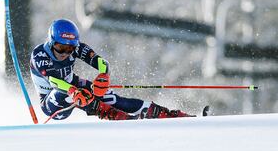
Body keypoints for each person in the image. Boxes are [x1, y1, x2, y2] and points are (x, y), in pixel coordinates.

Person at [30, 19, 193, 120]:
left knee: (111, 97)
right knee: (71, 94)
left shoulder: (76, 47)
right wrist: (73, 90)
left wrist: (103, 75)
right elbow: (53, 80)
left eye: (70, 49)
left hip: (74, 86)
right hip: (52, 103)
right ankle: (117, 117)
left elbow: (100, 62)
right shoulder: (39, 54)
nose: (66, 53)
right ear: (51, 42)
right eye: (61, 48)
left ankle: (168, 115)